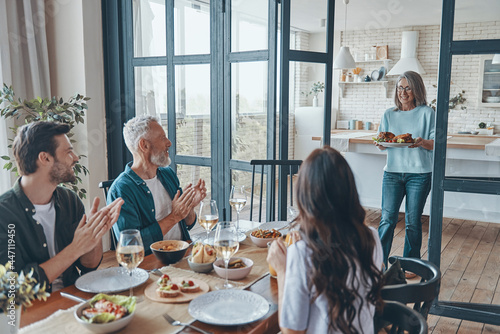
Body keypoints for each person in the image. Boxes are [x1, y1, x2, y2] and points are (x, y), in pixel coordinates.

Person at [267, 146, 384, 334]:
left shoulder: (303, 251)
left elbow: (291, 330)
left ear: (305, 197)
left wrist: (282, 270)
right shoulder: (371, 237)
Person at [0, 121, 123, 292]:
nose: (76, 157)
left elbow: (89, 266)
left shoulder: (69, 200)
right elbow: (13, 289)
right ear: (45, 158)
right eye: (69, 151)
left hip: (73, 297)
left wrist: (95, 234)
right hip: (31, 311)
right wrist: (75, 249)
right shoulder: (4, 215)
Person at [108, 115, 206, 254]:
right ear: (144, 145)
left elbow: (188, 224)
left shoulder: (168, 175)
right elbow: (130, 245)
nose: (169, 143)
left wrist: (188, 207)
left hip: (183, 255)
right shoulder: (121, 190)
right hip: (150, 266)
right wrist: (174, 216)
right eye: (162, 137)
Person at [375, 70, 435, 276]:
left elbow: (435, 143)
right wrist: (381, 145)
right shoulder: (389, 114)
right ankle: (378, 263)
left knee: (412, 220)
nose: (403, 92)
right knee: (387, 219)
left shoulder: (427, 113)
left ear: (416, 89)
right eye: (400, 87)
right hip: (392, 173)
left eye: (408, 88)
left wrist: (421, 142)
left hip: (419, 174)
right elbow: (382, 140)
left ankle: (411, 264)